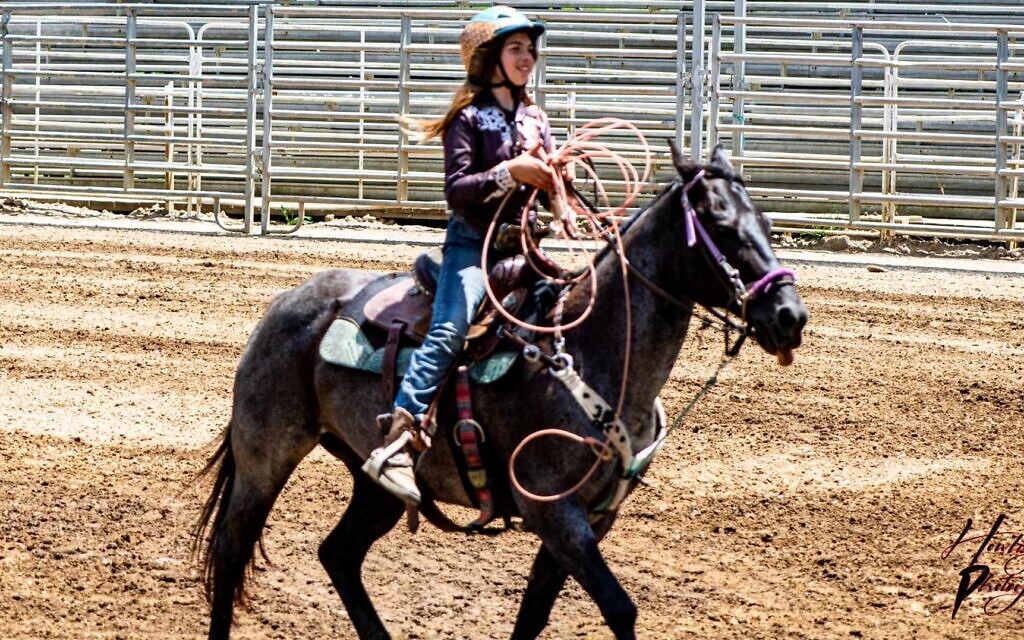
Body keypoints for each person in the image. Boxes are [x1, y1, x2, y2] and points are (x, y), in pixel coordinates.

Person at [362, 6, 558, 505]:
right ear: (489, 58)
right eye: (516, 48)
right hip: (473, 247)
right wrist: (510, 172)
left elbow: (550, 185)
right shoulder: (468, 119)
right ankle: (400, 440)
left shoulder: (536, 118)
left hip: (527, 249)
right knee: (449, 331)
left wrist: (561, 184)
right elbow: (457, 191)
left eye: (530, 49)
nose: (527, 57)